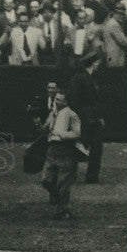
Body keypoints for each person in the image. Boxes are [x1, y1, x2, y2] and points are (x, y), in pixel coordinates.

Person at [40, 88, 84, 219]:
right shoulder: (53, 113)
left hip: (66, 150)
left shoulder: (72, 115)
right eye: (55, 99)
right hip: (52, 150)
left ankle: (62, 211)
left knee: (63, 183)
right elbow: (45, 129)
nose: (56, 101)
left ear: (66, 102)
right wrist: (39, 125)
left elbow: (77, 133)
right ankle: (60, 200)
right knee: (45, 180)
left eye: (59, 99)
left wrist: (61, 134)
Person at [68, 52, 104, 183]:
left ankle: (91, 177)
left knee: (94, 148)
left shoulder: (89, 77)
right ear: (94, 63)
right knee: (79, 147)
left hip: (91, 118)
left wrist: (98, 117)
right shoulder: (80, 78)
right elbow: (75, 101)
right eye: (97, 62)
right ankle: (72, 175)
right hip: (84, 118)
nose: (98, 64)